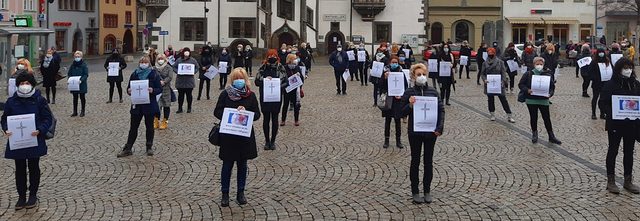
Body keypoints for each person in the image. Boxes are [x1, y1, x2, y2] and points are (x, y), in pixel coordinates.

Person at [2, 73, 53, 210]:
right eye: (22, 83)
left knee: (33, 167)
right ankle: (21, 196)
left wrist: (40, 130)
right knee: (19, 169)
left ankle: (33, 195)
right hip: (17, 141)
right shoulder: (11, 101)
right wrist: (6, 129)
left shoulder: (39, 100)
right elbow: (4, 119)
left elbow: (47, 118)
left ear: (31, 84)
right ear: (18, 85)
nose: (24, 85)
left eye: (27, 83)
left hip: (34, 139)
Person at [214, 67, 261, 207]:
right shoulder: (225, 94)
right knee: (227, 165)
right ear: (232, 80)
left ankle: (241, 192)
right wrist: (231, 113)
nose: (239, 81)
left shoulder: (251, 95)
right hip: (229, 136)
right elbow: (217, 111)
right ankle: (225, 193)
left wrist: (246, 113)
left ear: (245, 80)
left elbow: (257, 114)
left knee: (242, 165)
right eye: (236, 79)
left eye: (241, 78)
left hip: (244, 136)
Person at [400, 63, 444, 204]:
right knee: (415, 161)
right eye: (419, 74)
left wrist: (439, 127)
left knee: (428, 161)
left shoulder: (433, 92)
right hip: (415, 132)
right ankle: (415, 191)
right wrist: (410, 105)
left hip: (430, 133)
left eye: (424, 74)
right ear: (413, 76)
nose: (421, 77)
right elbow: (401, 111)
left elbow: (441, 110)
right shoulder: (409, 92)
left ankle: (427, 190)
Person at [599, 58, 640, 194]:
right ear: (619, 68)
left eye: (630, 67)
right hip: (616, 124)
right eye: (625, 67)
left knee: (629, 152)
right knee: (613, 150)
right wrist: (612, 112)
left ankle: (628, 180)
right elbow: (602, 102)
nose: (628, 70)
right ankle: (611, 181)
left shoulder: (635, 84)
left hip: (631, 124)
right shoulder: (611, 84)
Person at [117, 56, 162, 157]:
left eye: (145, 62)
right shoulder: (135, 74)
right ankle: (128, 148)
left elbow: (159, 89)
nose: (143, 63)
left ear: (149, 63)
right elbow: (129, 87)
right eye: (141, 62)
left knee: (149, 126)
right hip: (137, 105)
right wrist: (129, 91)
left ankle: (149, 146)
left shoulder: (154, 74)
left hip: (149, 105)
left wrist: (153, 90)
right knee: (133, 127)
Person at [518, 57, 562, 144]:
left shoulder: (547, 74)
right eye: (537, 64)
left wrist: (550, 93)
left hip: (543, 99)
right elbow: (521, 84)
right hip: (531, 100)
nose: (539, 66)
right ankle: (534, 134)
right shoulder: (528, 74)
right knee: (533, 117)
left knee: (547, 118)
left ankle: (551, 136)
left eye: (541, 64)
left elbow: (552, 87)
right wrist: (527, 90)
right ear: (534, 64)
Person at [255, 50, 286, 150]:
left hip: (276, 97)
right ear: (267, 56)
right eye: (270, 55)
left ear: (277, 57)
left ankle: (273, 141)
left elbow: (286, 82)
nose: (272, 57)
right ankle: (267, 141)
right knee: (266, 118)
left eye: (274, 55)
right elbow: (256, 81)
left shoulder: (280, 67)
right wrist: (265, 80)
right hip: (265, 97)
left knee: (275, 118)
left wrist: (278, 84)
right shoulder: (263, 67)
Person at [481, 48, 516, 123]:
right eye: (488, 53)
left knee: (503, 99)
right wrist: (484, 80)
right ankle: (492, 114)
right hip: (489, 83)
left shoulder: (500, 62)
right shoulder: (484, 63)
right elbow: (482, 73)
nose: (490, 54)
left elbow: (503, 73)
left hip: (499, 84)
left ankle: (509, 115)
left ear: (494, 53)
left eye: (491, 53)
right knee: (490, 100)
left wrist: (502, 81)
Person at [380, 57, 408, 148]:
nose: (394, 63)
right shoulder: (385, 72)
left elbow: (405, 86)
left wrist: (401, 95)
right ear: (390, 62)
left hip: (397, 100)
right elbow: (380, 86)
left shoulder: (401, 72)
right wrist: (384, 78)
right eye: (393, 62)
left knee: (397, 121)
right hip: (388, 99)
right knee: (387, 121)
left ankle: (398, 141)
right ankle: (386, 140)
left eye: (396, 62)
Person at [172, 47, 199, 113]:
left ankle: (189, 108)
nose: (186, 52)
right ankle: (180, 108)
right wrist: (178, 71)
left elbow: (197, 67)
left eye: (188, 51)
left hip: (189, 81)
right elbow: (174, 67)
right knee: (180, 96)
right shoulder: (179, 60)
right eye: (185, 51)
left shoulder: (193, 60)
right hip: (180, 80)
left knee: (189, 95)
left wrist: (193, 72)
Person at [588, 48, 612, 120]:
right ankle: (593, 113)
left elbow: (611, 69)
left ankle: (602, 113)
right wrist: (595, 78)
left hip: (605, 83)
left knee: (603, 99)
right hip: (596, 83)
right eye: (600, 52)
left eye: (602, 52)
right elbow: (590, 72)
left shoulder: (607, 60)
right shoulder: (594, 61)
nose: (601, 54)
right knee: (595, 98)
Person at [281, 54, 303, 127]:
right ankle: (283, 120)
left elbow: (302, 79)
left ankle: (296, 120)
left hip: (295, 90)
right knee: (285, 105)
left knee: (296, 105)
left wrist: (299, 76)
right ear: (289, 60)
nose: (295, 60)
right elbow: (282, 78)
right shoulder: (284, 68)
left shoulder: (297, 67)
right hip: (287, 90)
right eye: (293, 59)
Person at [154, 54, 174, 130]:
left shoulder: (169, 67)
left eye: (162, 58)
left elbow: (170, 76)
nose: (160, 60)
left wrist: (164, 82)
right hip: (157, 89)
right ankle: (156, 120)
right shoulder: (154, 68)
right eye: (159, 58)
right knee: (157, 105)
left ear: (165, 59)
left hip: (166, 89)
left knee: (166, 105)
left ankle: (165, 121)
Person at [68, 51, 89, 117]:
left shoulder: (84, 65)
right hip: (74, 83)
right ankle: (75, 111)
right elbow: (69, 73)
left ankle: (83, 111)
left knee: (82, 97)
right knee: (75, 98)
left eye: (78, 56)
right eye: (76, 57)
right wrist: (69, 79)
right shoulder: (72, 65)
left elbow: (86, 74)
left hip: (81, 83)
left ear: (81, 57)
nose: (77, 58)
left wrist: (81, 80)